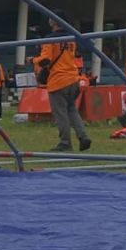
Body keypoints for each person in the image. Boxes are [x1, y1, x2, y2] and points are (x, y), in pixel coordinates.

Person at [37, 17, 91, 152]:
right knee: (72, 109)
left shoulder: (50, 39)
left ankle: (65, 143)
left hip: (58, 80)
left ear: (53, 22)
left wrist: (33, 60)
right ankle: (83, 136)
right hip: (73, 78)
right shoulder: (72, 38)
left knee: (60, 113)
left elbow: (45, 60)